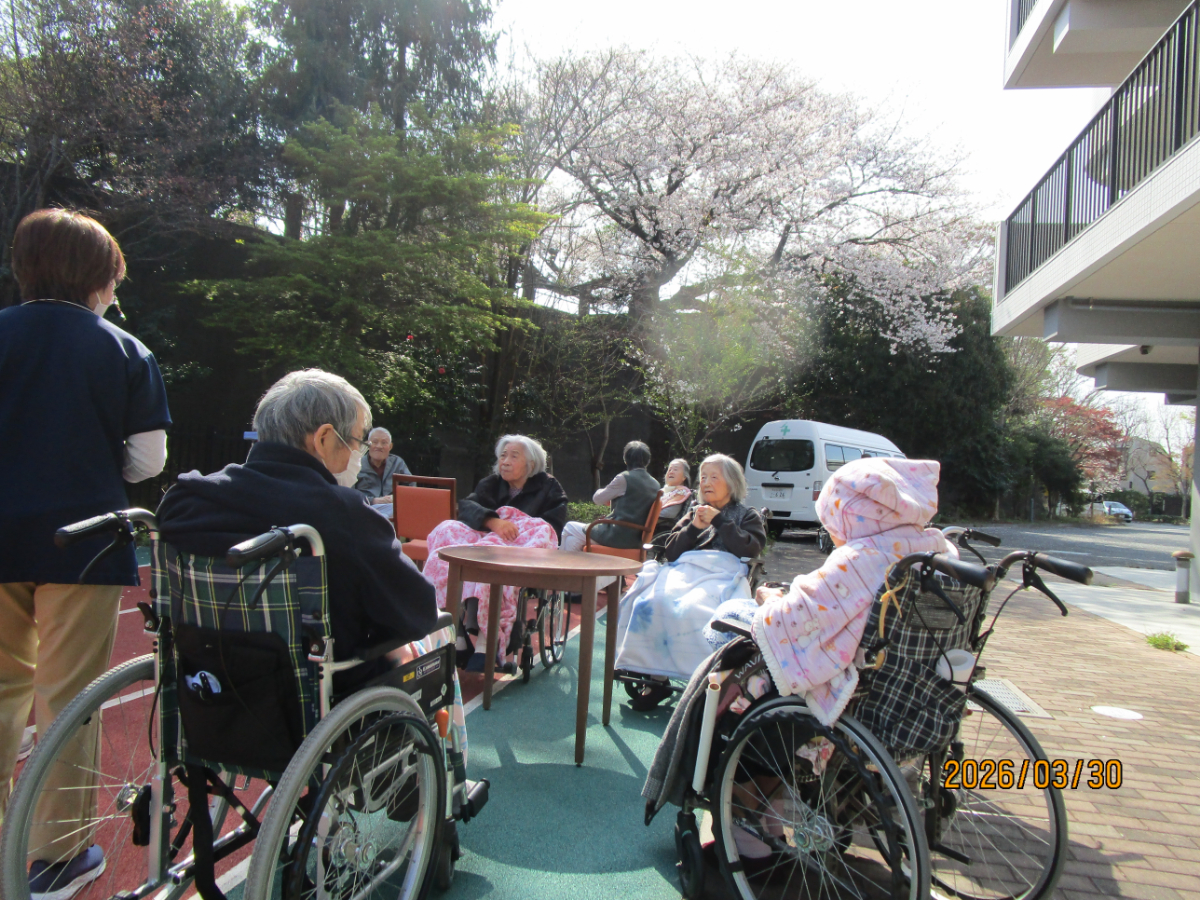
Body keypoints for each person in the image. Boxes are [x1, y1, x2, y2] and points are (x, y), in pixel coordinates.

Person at [0, 209, 171, 899]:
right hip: (85, 540)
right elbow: (147, 460)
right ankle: (57, 855)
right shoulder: (124, 350)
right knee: (69, 698)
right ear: (101, 278)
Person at [157, 370, 437, 677]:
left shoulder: (186, 498)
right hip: (319, 691)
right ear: (324, 438)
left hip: (205, 684)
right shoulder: (344, 514)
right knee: (433, 641)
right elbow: (419, 612)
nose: (359, 454)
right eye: (358, 441)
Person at [707, 457, 953, 726]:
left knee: (726, 615)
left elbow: (796, 620)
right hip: (909, 678)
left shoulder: (860, 559)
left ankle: (723, 715)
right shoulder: (935, 549)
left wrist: (770, 601)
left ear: (850, 517)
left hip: (853, 669)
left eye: (831, 523)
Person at [612, 455, 766, 705]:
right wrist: (693, 527)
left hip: (721, 574)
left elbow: (749, 549)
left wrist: (719, 520)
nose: (706, 482)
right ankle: (656, 678)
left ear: (732, 482)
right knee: (651, 603)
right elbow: (671, 552)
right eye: (703, 477)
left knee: (696, 609)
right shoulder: (694, 512)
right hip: (684, 571)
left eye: (714, 477)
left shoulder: (747, 515)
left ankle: (705, 682)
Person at [422, 435, 567, 668]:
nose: (505, 461)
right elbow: (467, 506)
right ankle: (457, 634)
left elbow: (551, 529)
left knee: (505, 547)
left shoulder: (549, 487)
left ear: (531, 464)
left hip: (517, 550)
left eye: (513, 456)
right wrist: (493, 522)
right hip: (484, 541)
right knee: (446, 530)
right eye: (502, 456)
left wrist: (514, 528)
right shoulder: (491, 483)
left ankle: (485, 644)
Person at [560, 441, 660, 552]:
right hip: (636, 541)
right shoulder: (656, 484)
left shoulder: (624, 478)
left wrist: (606, 492)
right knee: (572, 541)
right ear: (648, 461)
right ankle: (568, 564)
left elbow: (597, 499)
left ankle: (557, 562)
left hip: (615, 537)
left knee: (569, 526)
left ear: (625, 460)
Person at [354, 427, 412, 518]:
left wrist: (397, 497)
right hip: (365, 508)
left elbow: (411, 488)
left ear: (390, 447)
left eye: (384, 443)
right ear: (368, 444)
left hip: (391, 508)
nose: (379, 446)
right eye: (375, 442)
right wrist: (373, 500)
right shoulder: (357, 464)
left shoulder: (397, 463)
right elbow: (349, 493)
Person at [655, 458, 693, 527]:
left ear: (684, 477)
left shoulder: (682, 492)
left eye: (675, 469)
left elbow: (669, 514)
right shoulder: (661, 490)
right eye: (669, 469)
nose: (671, 472)